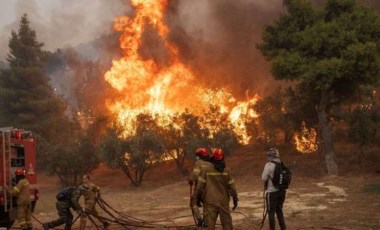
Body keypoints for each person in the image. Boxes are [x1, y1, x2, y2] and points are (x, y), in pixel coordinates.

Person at [194, 148, 238, 230]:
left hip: (209, 203)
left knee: (208, 227)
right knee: (227, 226)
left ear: (212, 158)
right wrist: (235, 199)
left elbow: (199, 186)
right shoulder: (227, 171)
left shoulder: (206, 170)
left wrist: (197, 199)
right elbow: (232, 188)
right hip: (223, 202)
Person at [262, 148, 286, 230]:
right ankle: (283, 228)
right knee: (279, 211)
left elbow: (263, 178)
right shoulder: (281, 163)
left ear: (271, 156)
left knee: (271, 213)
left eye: (268, 155)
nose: (267, 157)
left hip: (272, 193)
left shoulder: (268, 165)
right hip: (282, 192)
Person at [187, 148, 213, 227]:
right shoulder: (211, 164)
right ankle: (207, 223)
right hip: (210, 189)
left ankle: (200, 220)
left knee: (193, 203)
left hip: (200, 188)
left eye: (197, 155)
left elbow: (196, 174)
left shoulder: (198, 163)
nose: (196, 157)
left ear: (199, 156)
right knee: (206, 205)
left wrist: (190, 180)